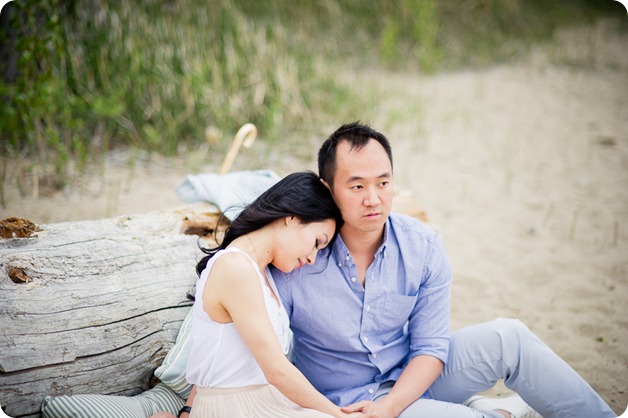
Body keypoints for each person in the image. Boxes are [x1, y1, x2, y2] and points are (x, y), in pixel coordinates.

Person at [270, 122, 616, 418]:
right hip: (349, 403)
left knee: (509, 337)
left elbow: (430, 347)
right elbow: (273, 360)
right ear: (328, 190)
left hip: (411, 378)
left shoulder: (422, 245)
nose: (373, 198)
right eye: (357, 186)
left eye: (383, 183)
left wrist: (393, 404)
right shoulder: (299, 258)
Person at [169, 171, 359, 418]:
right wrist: (338, 414)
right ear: (292, 217)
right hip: (236, 409)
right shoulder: (235, 267)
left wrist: (188, 409)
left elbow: (222, 355)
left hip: (263, 402)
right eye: (316, 242)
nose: (313, 258)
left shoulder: (262, 271)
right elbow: (277, 371)